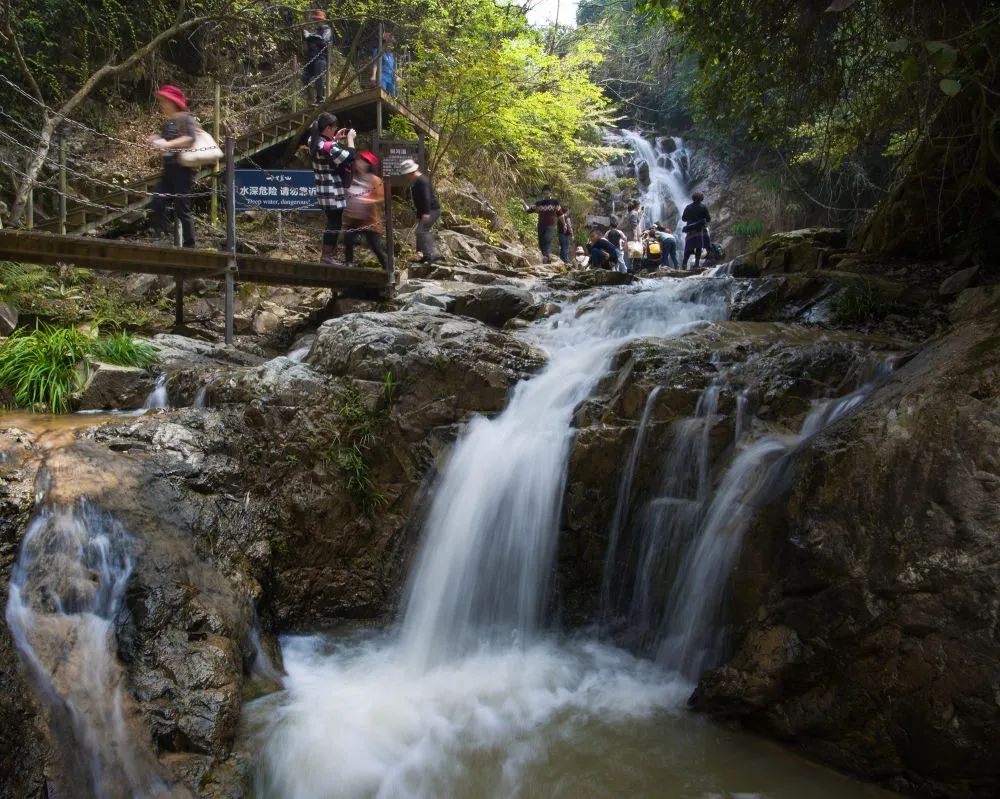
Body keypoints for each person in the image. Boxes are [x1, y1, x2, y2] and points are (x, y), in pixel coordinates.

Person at [147, 85, 197, 248]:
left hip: (182, 170)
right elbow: (164, 139)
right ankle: (159, 234)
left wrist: (169, 144)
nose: (162, 105)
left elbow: (190, 138)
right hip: (168, 170)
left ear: (172, 102)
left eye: (164, 102)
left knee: (182, 208)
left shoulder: (185, 118)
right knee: (156, 200)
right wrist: (155, 138)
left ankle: (190, 245)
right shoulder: (168, 123)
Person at [308, 111, 356, 264]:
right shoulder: (328, 146)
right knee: (334, 223)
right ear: (328, 127)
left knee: (332, 221)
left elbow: (327, 148)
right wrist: (350, 139)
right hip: (333, 190)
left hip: (323, 190)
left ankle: (328, 255)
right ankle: (327, 256)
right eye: (334, 128)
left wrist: (334, 139)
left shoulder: (313, 140)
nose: (335, 130)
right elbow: (349, 156)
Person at [342, 151, 388, 269]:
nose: (359, 164)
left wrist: (366, 201)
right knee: (348, 239)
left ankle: (387, 268)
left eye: (362, 162)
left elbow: (380, 199)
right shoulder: (355, 178)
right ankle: (348, 264)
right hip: (354, 219)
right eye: (358, 161)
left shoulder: (376, 180)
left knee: (375, 246)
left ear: (368, 165)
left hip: (370, 220)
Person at [398, 159, 441, 263]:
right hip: (427, 211)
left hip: (432, 210)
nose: (406, 177)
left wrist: (425, 213)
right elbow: (419, 201)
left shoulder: (422, 181)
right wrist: (420, 215)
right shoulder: (417, 181)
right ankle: (428, 255)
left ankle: (432, 254)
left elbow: (426, 198)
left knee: (421, 231)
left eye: (407, 174)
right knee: (421, 231)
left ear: (411, 172)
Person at [523, 186, 561, 264]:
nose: (546, 194)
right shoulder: (539, 203)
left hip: (550, 224)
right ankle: (546, 259)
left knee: (547, 239)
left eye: (547, 192)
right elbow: (528, 210)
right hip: (541, 225)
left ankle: (546, 257)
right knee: (541, 242)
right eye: (544, 193)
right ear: (543, 193)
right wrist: (523, 203)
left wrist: (564, 225)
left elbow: (560, 214)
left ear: (551, 193)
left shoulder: (555, 202)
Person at [302, 10, 332, 105]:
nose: (316, 22)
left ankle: (320, 99)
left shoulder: (327, 30)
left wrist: (310, 36)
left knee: (319, 78)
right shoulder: (316, 31)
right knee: (305, 77)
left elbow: (323, 40)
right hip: (312, 58)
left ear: (323, 21)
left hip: (321, 58)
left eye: (318, 20)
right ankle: (311, 99)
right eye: (315, 20)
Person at [681, 191, 712, 270]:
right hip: (700, 229)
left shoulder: (688, 207)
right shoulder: (703, 207)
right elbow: (708, 219)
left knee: (688, 246)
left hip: (690, 229)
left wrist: (691, 219)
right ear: (701, 198)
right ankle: (697, 264)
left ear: (693, 198)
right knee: (699, 246)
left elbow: (683, 219)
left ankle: (684, 264)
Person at [370, 29, 398, 97]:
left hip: (391, 79)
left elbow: (393, 69)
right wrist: (373, 76)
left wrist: (396, 76)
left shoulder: (391, 56)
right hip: (382, 76)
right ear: (385, 42)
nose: (391, 45)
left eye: (392, 43)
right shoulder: (379, 51)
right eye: (390, 42)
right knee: (382, 94)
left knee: (393, 98)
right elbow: (375, 64)